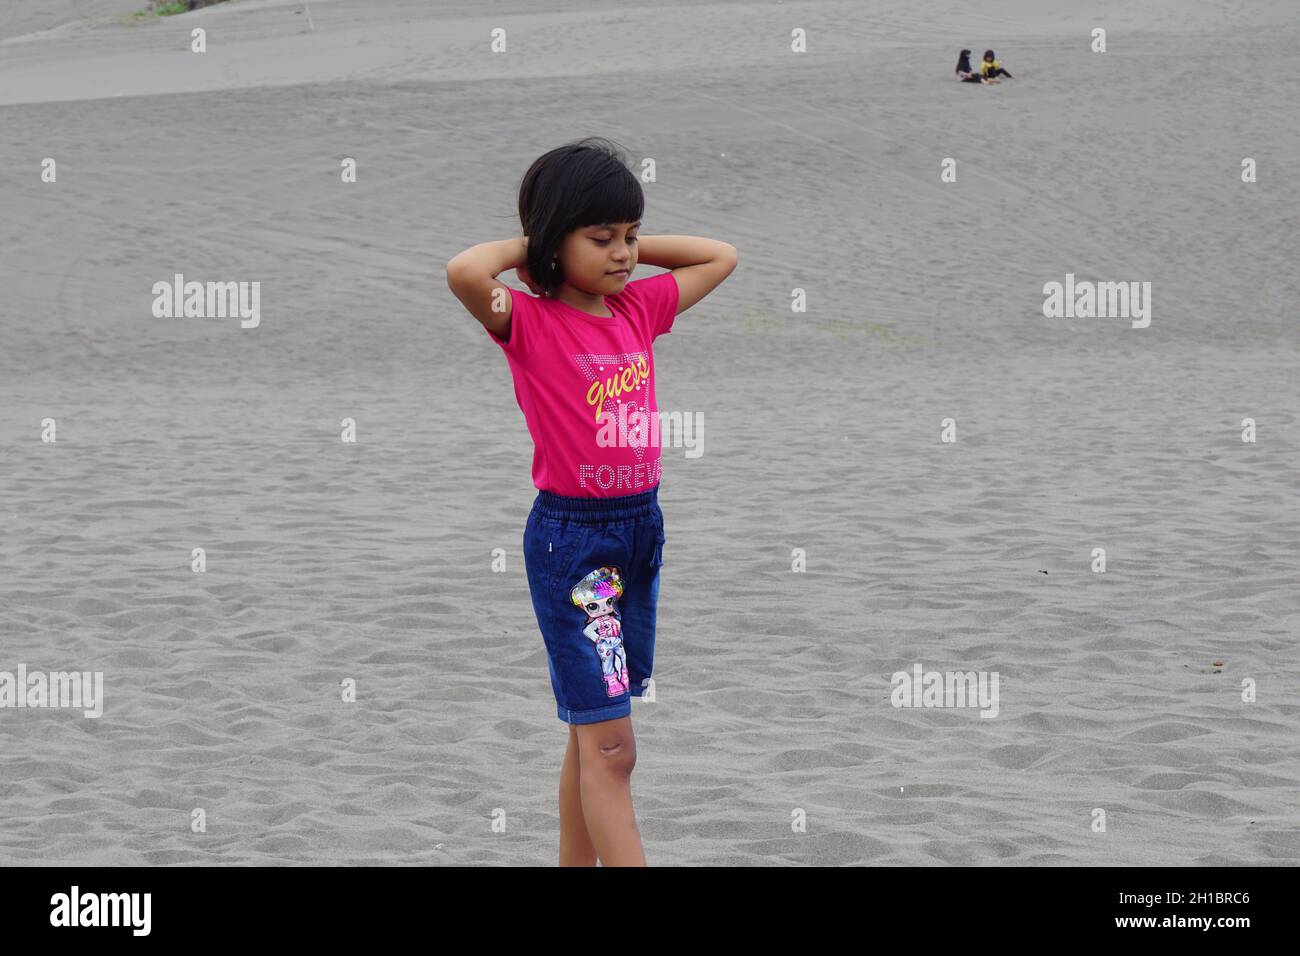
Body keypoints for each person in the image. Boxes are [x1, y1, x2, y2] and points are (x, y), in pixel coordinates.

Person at [445, 137, 738, 866]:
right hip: (573, 545)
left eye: (632, 236)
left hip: (637, 535)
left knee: (592, 738)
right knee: (614, 749)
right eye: (601, 237)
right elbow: (463, 270)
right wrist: (538, 246)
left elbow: (719, 256)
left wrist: (618, 236)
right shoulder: (528, 323)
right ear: (551, 243)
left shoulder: (637, 310)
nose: (625, 254)